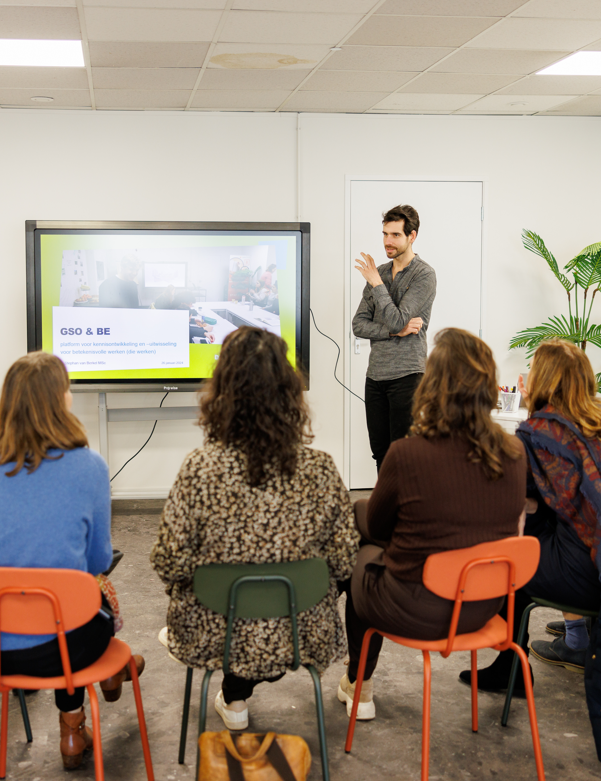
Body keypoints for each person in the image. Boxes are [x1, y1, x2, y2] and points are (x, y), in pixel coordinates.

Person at [152, 326, 358, 731]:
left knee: (229, 598)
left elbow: (168, 562)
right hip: (300, 629)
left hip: (214, 631)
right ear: (290, 391)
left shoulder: (199, 469)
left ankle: (234, 700)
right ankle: (237, 697)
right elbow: (345, 560)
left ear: (222, 393)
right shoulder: (321, 469)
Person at [0, 351, 141, 771]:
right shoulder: (89, 466)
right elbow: (96, 560)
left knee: (58, 610)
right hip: (66, 645)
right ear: (61, 399)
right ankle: (92, 698)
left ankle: (79, 719)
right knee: (83, 604)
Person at [339, 328, 526, 720]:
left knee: (361, 556)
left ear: (431, 386)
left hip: (414, 607)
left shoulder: (407, 454)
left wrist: (356, 512)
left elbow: (376, 526)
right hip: (481, 607)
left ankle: (360, 684)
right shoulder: (514, 452)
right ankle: (357, 683)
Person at [463, 340, 601, 690]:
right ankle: (571, 641)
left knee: (510, 555)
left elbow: (508, 498)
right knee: (546, 525)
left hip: (597, 577)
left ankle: (510, 666)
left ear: (540, 381)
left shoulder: (540, 433)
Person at [351, 204, 437, 472]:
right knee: (380, 453)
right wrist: (392, 331)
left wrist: (377, 284)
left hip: (407, 376)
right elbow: (358, 325)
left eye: (395, 235)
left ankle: (406, 512)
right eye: (385, 234)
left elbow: (400, 319)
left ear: (412, 236)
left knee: (404, 455)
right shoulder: (381, 272)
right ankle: (387, 510)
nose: (388, 241)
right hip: (375, 377)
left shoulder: (424, 274)